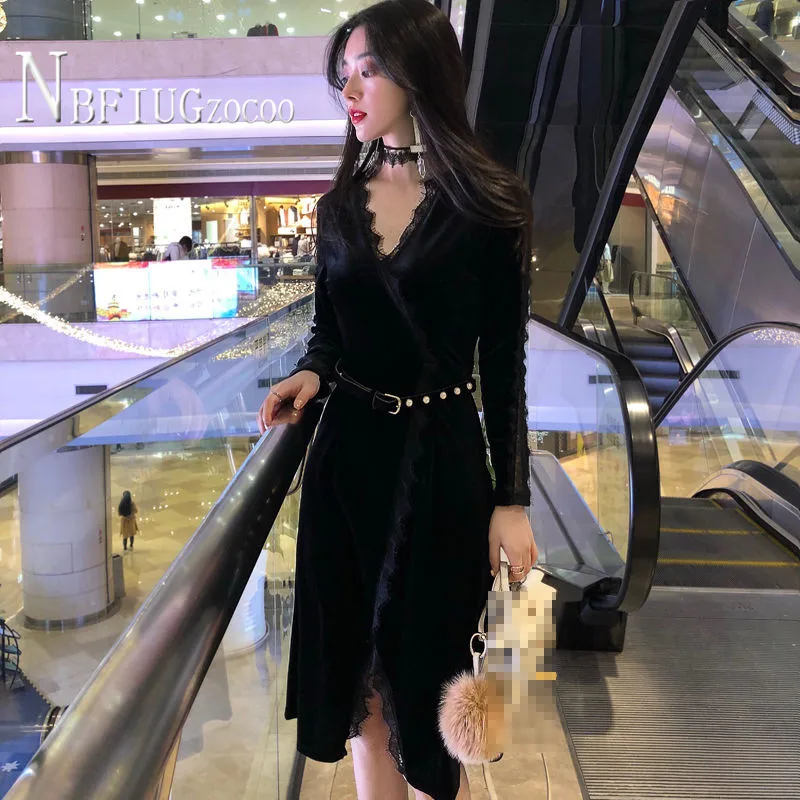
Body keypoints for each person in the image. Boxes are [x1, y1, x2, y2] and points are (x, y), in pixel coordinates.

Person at [257, 3, 536, 799]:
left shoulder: (489, 205)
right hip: (346, 465)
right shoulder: (339, 205)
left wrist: (512, 499)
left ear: (420, 72)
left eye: (368, 70)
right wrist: (312, 373)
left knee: (431, 682)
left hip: (441, 468)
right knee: (360, 684)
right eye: (343, 74)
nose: (350, 90)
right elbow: (330, 328)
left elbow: (503, 365)